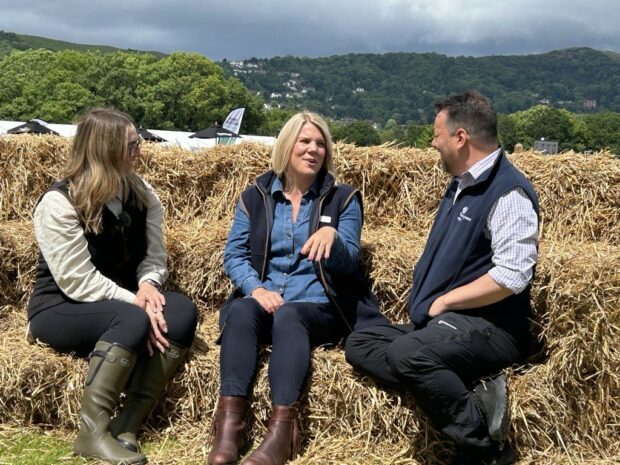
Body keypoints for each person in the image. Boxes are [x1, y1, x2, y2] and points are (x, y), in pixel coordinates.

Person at [345, 91, 539, 465]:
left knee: (407, 354)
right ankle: (470, 389)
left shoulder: (508, 193)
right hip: (440, 324)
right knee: (361, 343)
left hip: (490, 328)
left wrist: (448, 300)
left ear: (461, 137)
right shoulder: (460, 184)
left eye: (438, 135)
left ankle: (485, 448)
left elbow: (512, 275)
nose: (433, 143)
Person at [207, 112, 387, 465]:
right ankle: (229, 427)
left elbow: (350, 259)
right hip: (267, 299)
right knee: (241, 309)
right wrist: (255, 289)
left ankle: (282, 432)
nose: (313, 150)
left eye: (320, 144)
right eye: (305, 142)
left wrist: (332, 237)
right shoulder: (256, 196)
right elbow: (235, 254)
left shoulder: (344, 199)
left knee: (290, 314)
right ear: (287, 146)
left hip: (319, 306)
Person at [27, 108, 198, 465]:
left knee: (182, 311)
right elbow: (76, 280)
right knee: (134, 320)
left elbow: (154, 257)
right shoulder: (59, 202)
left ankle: (127, 424)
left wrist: (149, 285)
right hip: (61, 308)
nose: (140, 153)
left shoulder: (144, 194)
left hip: (120, 306)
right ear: (104, 150)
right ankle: (91, 433)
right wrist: (138, 304)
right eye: (132, 146)